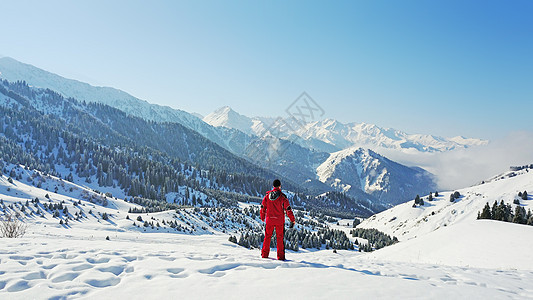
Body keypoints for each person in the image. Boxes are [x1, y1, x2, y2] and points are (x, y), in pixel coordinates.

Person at [260, 179, 295, 260]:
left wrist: (262, 217)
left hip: (269, 220)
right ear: (280, 186)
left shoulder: (267, 196)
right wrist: (292, 220)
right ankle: (280, 257)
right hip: (279, 221)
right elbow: (288, 209)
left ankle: (264, 255)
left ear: (273, 186)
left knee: (267, 237)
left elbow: (263, 207)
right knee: (279, 238)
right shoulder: (282, 197)